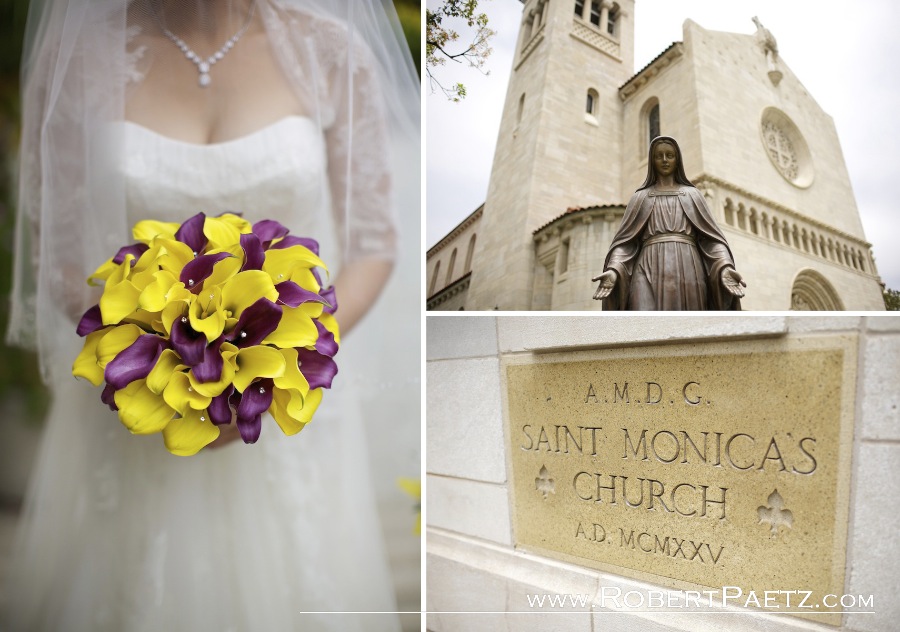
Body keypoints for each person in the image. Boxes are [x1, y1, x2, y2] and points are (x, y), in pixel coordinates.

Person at [2, 1, 420, 630]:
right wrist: (145, 362)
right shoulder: (79, 59)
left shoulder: (329, 52)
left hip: (283, 404)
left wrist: (282, 364)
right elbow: (56, 255)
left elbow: (373, 245)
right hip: (136, 399)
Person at [592, 136, 745, 310]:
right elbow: (626, 243)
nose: (664, 160)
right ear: (652, 160)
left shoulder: (692, 195)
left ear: (677, 159)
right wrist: (614, 269)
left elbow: (711, 239)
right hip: (647, 268)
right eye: (659, 156)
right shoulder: (640, 197)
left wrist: (724, 266)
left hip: (688, 268)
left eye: (670, 155)